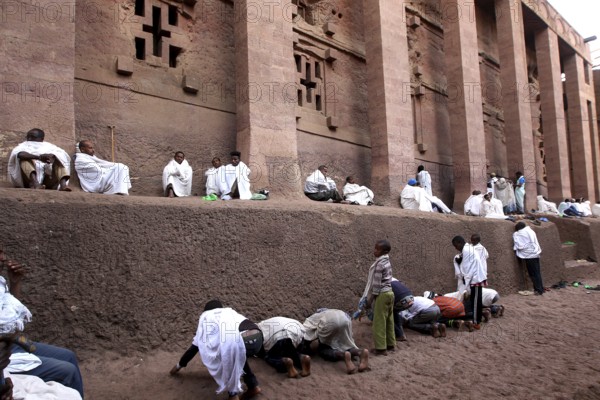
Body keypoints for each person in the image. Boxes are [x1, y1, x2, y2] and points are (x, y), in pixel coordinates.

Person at [0, 249, 84, 398]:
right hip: (5, 352)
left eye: (2, 252)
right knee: (67, 371)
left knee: (69, 356)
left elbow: (13, 317)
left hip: (11, 345)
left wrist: (15, 282)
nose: (3, 258)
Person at [169, 300, 263, 400]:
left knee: (227, 356)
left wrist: (180, 365)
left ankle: (233, 394)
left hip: (240, 341)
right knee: (237, 355)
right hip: (257, 337)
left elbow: (194, 347)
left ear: (206, 311)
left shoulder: (206, 318)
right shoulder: (230, 312)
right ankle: (253, 386)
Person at [357, 240, 395, 355]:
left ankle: (381, 348)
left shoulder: (379, 264)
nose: (374, 251)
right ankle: (391, 344)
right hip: (390, 293)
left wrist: (370, 299)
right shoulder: (387, 261)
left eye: (377, 249)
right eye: (375, 248)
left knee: (379, 322)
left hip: (382, 295)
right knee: (389, 320)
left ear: (385, 251)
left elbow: (377, 284)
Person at [301, 309, 369, 374]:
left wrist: (307, 348)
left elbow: (306, 337)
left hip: (330, 322)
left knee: (324, 349)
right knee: (345, 344)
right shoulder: (325, 312)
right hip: (345, 318)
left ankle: (343, 355)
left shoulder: (309, 321)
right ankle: (360, 352)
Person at [7, 128, 71, 191]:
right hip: (28, 181)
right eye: (28, 137)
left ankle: (63, 185)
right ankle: (35, 184)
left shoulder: (50, 147)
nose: (29, 139)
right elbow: (19, 154)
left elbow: (63, 155)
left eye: (33, 137)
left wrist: (53, 157)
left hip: (48, 180)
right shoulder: (23, 146)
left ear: (41, 139)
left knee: (59, 159)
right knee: (24, 160)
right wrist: (39, 157)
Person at [452, 236, 487, 329]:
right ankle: (478, 319)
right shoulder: (467, 249)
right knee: (477, 300)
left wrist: (465, 283)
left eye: (455, 245)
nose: (456, 248)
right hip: (476, 277)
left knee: (475, 301)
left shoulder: (467, 250)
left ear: (459, 242)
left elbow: (466, 268)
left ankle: (476, 322)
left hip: (475, 278)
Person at [513, 222, 545, 295]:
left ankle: (538, 290)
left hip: (529, 255)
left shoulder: (519, 234)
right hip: (535, 254)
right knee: (537, 272)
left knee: (533, 273)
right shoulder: (531, 231)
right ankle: (540, 288)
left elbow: (519, 245)